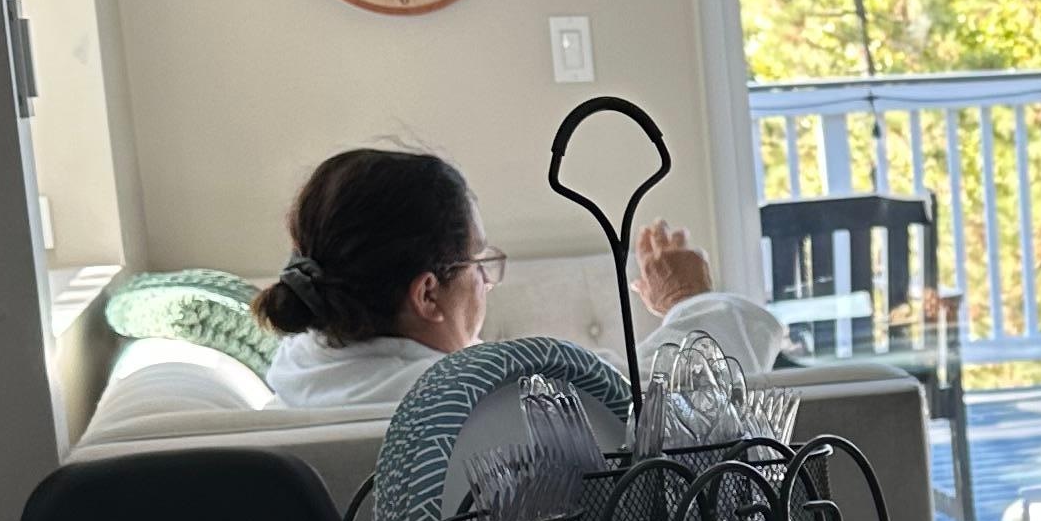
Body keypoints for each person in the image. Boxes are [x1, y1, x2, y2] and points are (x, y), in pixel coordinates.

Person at [252, 151, 782, 415]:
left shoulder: (299, 371)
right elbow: (671, 400)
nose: (488, 282)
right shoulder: (481, 403)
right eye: (479, 261)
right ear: (428, 294)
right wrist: (690, 300)